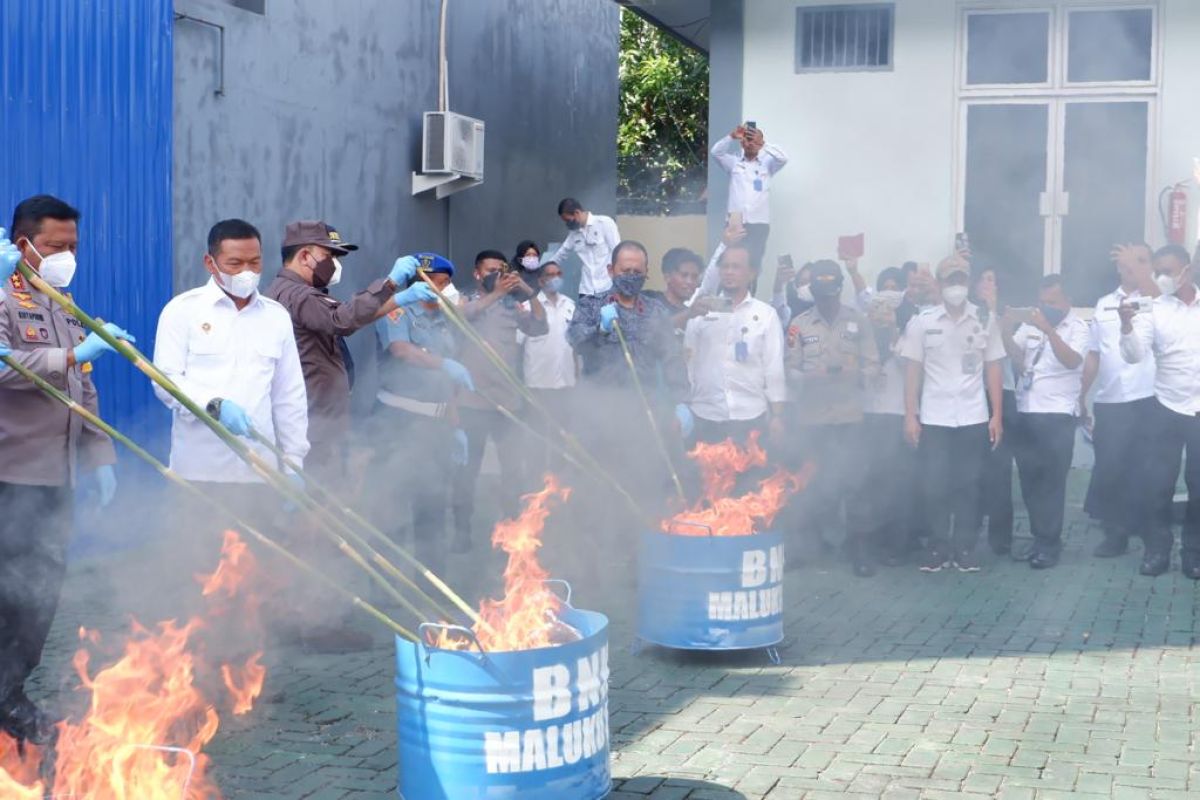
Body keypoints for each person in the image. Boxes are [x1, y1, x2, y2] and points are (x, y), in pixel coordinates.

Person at [0, 195, 132, 744]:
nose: (66, 256)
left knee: (40, 595)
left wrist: (99, 456)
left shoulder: (62, 303)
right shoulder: (4, 297)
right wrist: (73, 357)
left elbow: (83, 389)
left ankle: (10, 693)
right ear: (23, 243)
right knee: (10, 594)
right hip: (11, 476)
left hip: (59, 476)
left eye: (73, 246)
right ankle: (6, 703)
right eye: (55, 246)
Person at [153, 219, 309, 500]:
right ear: (210, 263)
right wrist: (214, 406)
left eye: (255, 262)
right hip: (199, 473)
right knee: (194, 545)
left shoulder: (275, 316)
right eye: (235, 264)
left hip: (260, 472)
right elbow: (166, 381)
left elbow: (289, 395)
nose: (247, 273)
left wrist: (293, 461)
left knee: (261, 545)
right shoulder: (182, 311)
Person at [265, 220, 435, 473]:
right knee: (320, 502)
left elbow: (348, 317)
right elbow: (342, 320)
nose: (335, 263)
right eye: (329, 255)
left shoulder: (298, 292)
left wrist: (398, 299)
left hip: (319, 421)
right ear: (304, 256)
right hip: (313, 425)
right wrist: (389, 284)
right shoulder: (298, 295)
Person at [901, 254, 1004, 573]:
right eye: (950, 280)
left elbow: (994, 368)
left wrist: (997, 414)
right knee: (934, 485)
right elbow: (913, 371)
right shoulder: (922, 322)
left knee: (969, 486)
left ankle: (964, 548)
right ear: (940, 284)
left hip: (973, 416)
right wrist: (910, 415)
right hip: (935, 417)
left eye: (961, 279)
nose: (955, 286)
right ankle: (937, 547)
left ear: (968, 283)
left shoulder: (985, 319)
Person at [371, 254, 472, 577]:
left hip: (437, 424)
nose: (437, 289)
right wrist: (442, 364)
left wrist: (456, 425)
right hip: (398, 420)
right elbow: (400, 349)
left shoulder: (446, 319)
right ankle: (386, 582)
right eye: (431, 282)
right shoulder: (397, 310)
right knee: (392, 502)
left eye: (443, 283)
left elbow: (450, 383)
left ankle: (431, 580)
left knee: (431, 504)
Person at [784, 260, 880, 575]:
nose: (827, 301)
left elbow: (874, 365)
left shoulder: (858, 320)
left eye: (832, 294)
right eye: (822, 295)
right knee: (807, 485)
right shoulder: (799, 324)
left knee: (855, 485)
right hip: (811, 418)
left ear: (840, 289)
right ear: (813, 293)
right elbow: (789, 369)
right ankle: (802, 548)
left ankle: (860, 551)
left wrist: (857, 372)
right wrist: (811, 376)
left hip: (849, 417)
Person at [453, 250, 547, 550]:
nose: (496, 274)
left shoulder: (511, 304)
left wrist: (530, 293)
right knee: (467, 472)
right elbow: (461, 317)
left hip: (507, 403)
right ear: (477, 273)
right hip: (472, 402)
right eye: (490, 269)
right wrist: (495, 294)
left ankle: (512, 533)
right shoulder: (465, 298)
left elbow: (539, 327)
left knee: (512, 471)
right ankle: (461, 533)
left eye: (501, 270)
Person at [1119, 243, 1200, 578]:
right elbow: (1135, 354)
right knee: (1159, 484)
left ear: (1187, 269)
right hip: (1165, 407)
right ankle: (1157, 551)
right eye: (1158, 271)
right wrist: (1126, 326)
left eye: (1168, 270)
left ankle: (1194, 554)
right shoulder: (1154, 310)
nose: (1162, 277)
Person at [1002, 275, 1088, 569]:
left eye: (1053, 302)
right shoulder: (1029, 326)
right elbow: (1015, 357)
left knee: (1051, 482)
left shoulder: (1079, 327)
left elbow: (1072, 361)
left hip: (1058, 415)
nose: (1047, 307)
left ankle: (1049, 544)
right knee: (1029, 481)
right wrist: (1005, 326)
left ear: (1068, 301)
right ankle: (1041, 537)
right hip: (1026, 411)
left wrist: (1049, 330)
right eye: (1043, 302)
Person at [1080, 243, 1158, 558]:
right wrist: (1080, 393)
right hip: (1111, 400)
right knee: (1110, 469)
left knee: (1149, 469)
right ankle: (1115, 534)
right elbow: (1094, 355)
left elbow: (1160, 301)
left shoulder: (1156, 298)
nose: (1130, 266)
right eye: (1126, 261)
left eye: (1140, 261)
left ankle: (1152, 536)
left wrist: (1140, 270)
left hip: (1149, 397)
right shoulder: (1103, 305)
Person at [682, 243, 786, 445]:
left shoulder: (766, 315)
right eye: (725, 266)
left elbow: (774, 369)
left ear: (752, 273)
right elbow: (688, 363)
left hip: (751, 417)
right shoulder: (701, 312)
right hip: (705, 416)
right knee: (705, 476)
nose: (729, 272)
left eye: (736, 267)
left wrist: (778, 416)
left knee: (751, 476)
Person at [861, 266, 922, 565]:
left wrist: (894, 335)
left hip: (899, 415)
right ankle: (874, 542)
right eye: (877, 310)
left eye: (888, 310)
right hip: (870, 416)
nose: (882, 315)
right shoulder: (864, 336)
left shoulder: (909, 334)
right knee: (873, 482)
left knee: (898, 483)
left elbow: (910, 367)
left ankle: (899, 543)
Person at [972, 268, 1020, 558]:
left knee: (1000, 469)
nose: (989, 284)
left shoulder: (1010, 319)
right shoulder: (964, 315)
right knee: (972, 469)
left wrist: (994, 315)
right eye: (984, 278)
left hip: (1003, 395)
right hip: (971, 396)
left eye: (993, 280)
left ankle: (1000, 537)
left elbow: (1009, 355)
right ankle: (970, 528)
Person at [517, 256, 577, 474]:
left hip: (565, 386)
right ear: (540, 282)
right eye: (550, 275)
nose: (555, 278)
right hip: (537, 386)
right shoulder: (527, 307)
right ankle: (535, 490)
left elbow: (574, 346)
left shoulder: (570, 305)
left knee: (562, 442)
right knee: (538, 442)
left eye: (559, 274)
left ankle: (557, 491)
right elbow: (517, 346)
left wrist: (576, 380)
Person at [710, 123, 788, 271]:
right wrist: (731, 136)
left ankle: (750, 294)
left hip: (758, 223)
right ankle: (725, 294)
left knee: (753, 265)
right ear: (742, 142)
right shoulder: (734, 162)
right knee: (729, 261)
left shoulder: (767, 164)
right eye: (747, 139)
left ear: (759, 143)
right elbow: (716, 153)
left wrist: (763, 144)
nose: (750, 143)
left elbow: (783, 158)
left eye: (754, 140)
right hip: (735, 222)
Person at [548, 198, 621, 310]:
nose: (567, 224)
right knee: (586, 325)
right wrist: (543, 270)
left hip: (608, 287)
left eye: (568, 220)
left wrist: (619, 284)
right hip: (586, 291)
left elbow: (618, 252)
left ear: (577, 213)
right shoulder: (574, 234)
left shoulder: (604, 223)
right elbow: (561, 255)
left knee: (608, 324)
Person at [645, 247, 707, 333]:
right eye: (684, 275)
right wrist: (688, 314)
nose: (690, 282)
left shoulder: (694, 314)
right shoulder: (649, 300)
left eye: (694, 277)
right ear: (667, 277)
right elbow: (648, 331)